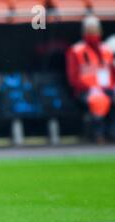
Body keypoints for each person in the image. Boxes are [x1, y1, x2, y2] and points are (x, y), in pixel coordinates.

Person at [66, 15, 115, 143]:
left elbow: (111, 73)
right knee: (98, 100)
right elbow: (73, 78)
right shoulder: (76, 50)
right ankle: (98, 135)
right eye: (90, 29)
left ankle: (112, 132)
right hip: (86, 91)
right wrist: (91, 88)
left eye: (95, 28)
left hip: (108, 88)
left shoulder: (107, 49)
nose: (93, 32)